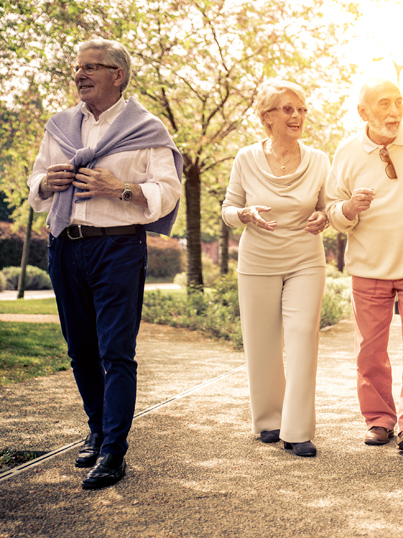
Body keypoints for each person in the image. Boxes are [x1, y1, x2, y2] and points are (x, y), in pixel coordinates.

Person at [27, 38, 183, 489]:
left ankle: (114, 450)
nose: (80, 74)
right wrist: (46, 181)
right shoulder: (58, 126)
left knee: (116, 351)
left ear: (118, 75)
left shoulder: (148, 129)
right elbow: (35, 179)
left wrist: (121, 189)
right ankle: (96, 429)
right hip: (65, 246)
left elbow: (167, 191)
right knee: (79, 349)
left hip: (117, 248)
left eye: (91, 67)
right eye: (77, 67)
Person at [326, 79, 403, 452]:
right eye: (383, 104)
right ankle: (379, 420)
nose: (394, 112)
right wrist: (348, 209)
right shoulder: (346, 153)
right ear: (363, 112)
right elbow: (331, 208)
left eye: (398, 102)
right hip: (369, 266)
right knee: (369, 351)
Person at [221, 79, 329, 458]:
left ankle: (297, 430)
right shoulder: (245, 158)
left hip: (305, 260)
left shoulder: (318, 159)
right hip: (257, 262)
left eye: (301, 109)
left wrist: (323, 218)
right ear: (267, 117)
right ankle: (268, 420)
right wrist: (244, 214)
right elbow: (228, 209)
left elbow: (326, 207)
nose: (297, 116)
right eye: (287, 109)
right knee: (262, 343)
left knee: (302, 338)